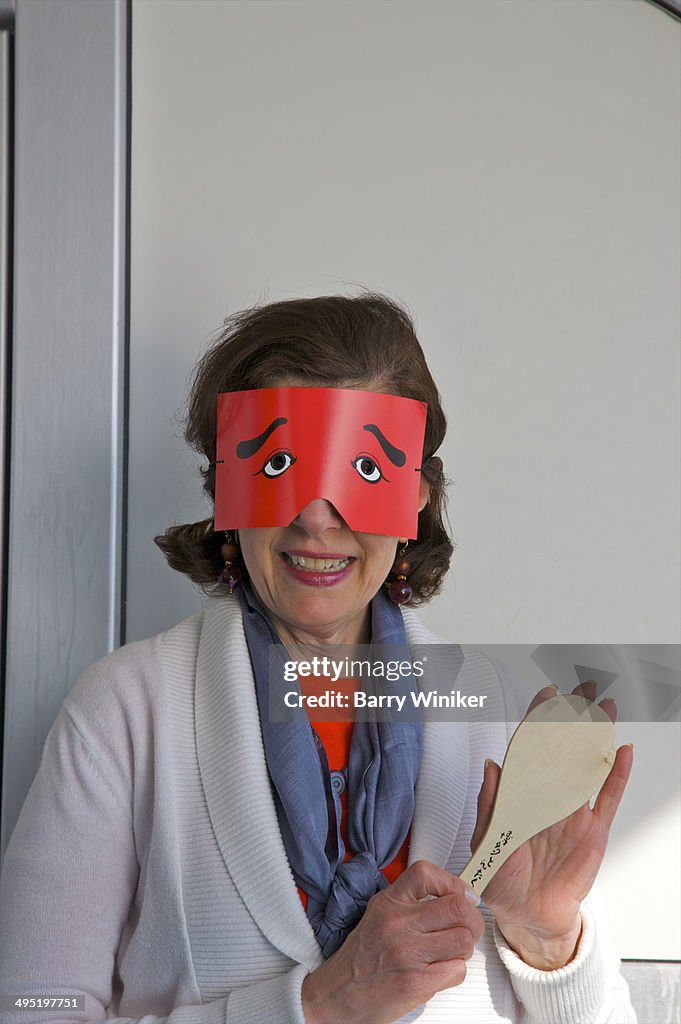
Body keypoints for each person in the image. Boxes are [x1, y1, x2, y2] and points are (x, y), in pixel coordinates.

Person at [0, 294, 635, 1024]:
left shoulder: (499, 713)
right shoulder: (126, 710)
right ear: (223, 494)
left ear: (415, 502)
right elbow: (32, 1010)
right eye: (277, 465)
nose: (315, 517)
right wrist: (316, 1004)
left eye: (364, 470)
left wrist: (548, 940)